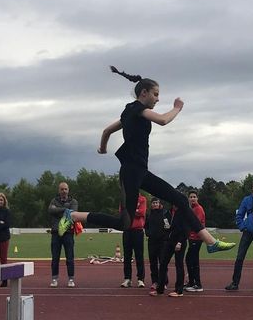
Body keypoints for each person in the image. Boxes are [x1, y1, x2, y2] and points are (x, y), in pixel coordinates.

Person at [62, 66, 235, 255]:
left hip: (140, 171)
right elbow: (162, 120)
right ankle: (73, 215)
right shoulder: (137, 109)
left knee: (179, 199)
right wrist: (177, 108)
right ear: (144, 93)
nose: (158, 98)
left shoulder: (129, 112)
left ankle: (210, 242)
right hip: (130, 172)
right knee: (124, 223)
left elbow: (106, 131)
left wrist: (103, 148)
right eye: (156, 94)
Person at [225, 179, 253, 292]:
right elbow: (239, 214)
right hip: (247, 231)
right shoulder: (246, 200)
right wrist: (243, 226)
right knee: (240, 257)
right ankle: (235, 283)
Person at [48, 181, 77, 288]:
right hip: (56, 233)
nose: (64, 191)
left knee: (70, 258)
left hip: (68, 233)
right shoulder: (53, 200)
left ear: (68, 190)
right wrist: (65, 209)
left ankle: (71, 279)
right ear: (58, 190)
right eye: (62, 189)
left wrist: (58, 210)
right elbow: (50, 210)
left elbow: (73, 213)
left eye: (65, 189)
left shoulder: (73, 201)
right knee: (55, 258)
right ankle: (54, 279)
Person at [154, 206, 189, 297]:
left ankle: (179, 290)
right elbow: (167, 227)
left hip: (179, 242)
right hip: (169, 241)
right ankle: (160, 289)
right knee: (163, 263)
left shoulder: (184, 212)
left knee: (179, 264)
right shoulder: (168, 212)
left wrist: (180, 242)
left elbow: (186, 229)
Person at [120, 193, 147, 288]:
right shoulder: (124, 199)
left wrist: (130, 211)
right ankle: (127, 278)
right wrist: (134, 211)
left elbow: (142, 212)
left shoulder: (142, 199)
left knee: (139, 255)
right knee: (127, 256)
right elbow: (122, 212)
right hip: (127, 230)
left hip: (138, 230)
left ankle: (140, 279)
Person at [145, 197, 171, 291]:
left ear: (159, 204)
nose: (155, 204)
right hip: (152, 241)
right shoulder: (148, 214)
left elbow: (169, 226)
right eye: (153, 203)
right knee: (153, 263)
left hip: (163, 242)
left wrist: (166, 236)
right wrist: (148, 233)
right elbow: (146, 226)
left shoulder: (165, 213)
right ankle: (155, 281)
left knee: (163, 262)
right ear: (151, 204)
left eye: (156, 203)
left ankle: (163, 282)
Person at [185, 191, 206, 292]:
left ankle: (197, 284)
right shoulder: (192, 209)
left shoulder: (198, 209)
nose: (192, 199)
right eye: (191, 197)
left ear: (197, 198)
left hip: (196, 238)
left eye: (194, 197)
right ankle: (192, 282)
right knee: (190, 260)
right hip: (192, 238)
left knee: (192, 260)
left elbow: (195, 223)